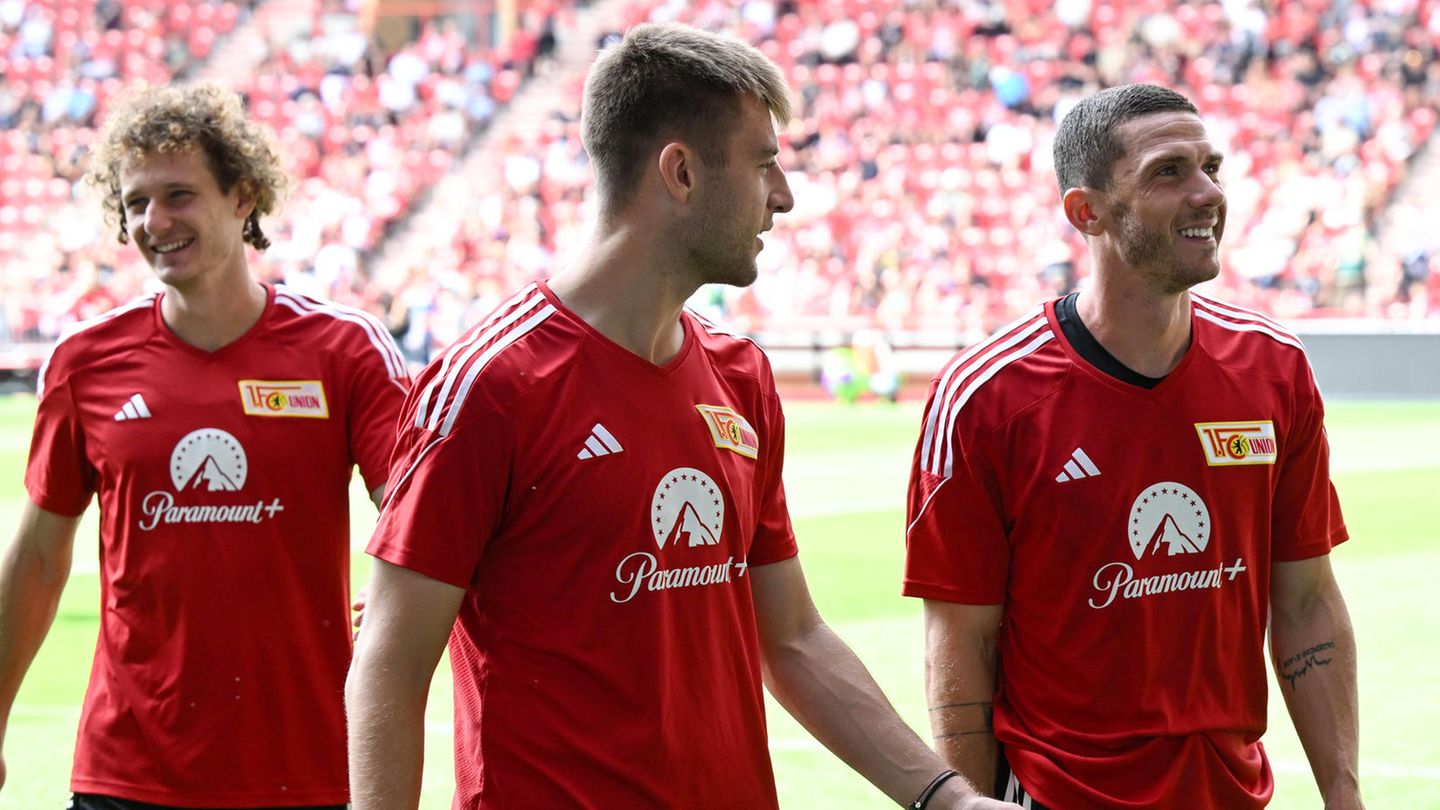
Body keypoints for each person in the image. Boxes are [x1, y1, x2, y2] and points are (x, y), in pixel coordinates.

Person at [346, 23, 1021, 810]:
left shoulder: (741, 377)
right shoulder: (492, 386)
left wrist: (948, 798)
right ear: (682, 172)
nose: (784, 195)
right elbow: (390, 665)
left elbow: (793, 639)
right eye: (764, 163)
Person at [904, 83, 1362, 809]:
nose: (1208, 193)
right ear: (1086, 211)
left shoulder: (1273, 368)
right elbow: (961, 642)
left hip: (1232, 795)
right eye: (1168, 172)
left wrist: (1344, 794)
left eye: (1211, 166)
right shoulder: (987, 395)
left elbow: (1306, 599)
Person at [0, 83, 409, 809]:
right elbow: (36, 559)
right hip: (126, 770)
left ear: (243, 195)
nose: (153, 221)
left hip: (302, 769)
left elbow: (421, 516)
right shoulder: (84, 362)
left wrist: (398, 585)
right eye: (135, 203)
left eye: (178, 195)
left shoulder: (345, 351)